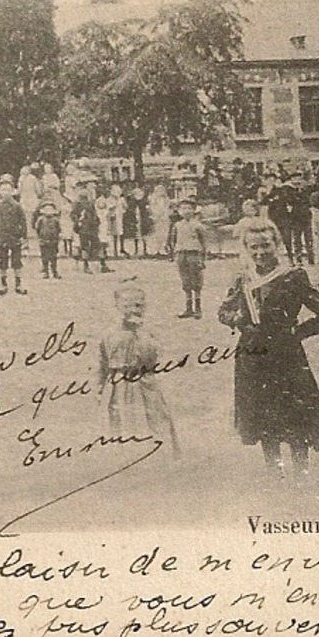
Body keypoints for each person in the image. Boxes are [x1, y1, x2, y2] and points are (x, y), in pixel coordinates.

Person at [218, 226, 319, 483]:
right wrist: (236, 318)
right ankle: (274, 473)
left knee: (294, 413)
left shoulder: (292, 276)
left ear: (277, 245)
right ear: (246, 249)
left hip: (286, 356)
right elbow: (223, 312)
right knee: (263, 413)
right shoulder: (243, 278)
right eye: (254, 247)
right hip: (252, 355)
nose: (260, 252)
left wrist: (296, 333)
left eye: (266, 246)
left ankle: (301, 473)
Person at [96, 283, 179, 453]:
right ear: (117, 306)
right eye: (126, 306)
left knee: (154, 417)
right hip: (119, 385)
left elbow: (154, 358)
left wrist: (139, 334)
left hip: (145, 383)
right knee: (122, 419)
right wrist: (99, 388)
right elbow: (101, 364)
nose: (133, 310)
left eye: (138, 305)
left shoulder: (147, 333)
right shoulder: (110, 333)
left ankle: (158, 453)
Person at [168, 198, 212, 318]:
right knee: (185, 281)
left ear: (194, 210)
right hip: (181, 254)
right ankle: (188, 308)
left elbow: (203, 243)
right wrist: (174, 254)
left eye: (189, 208)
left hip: (194, 254)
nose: (186, 211)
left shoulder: (198, 225)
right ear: (178, 211)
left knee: (196, 281)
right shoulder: (177, 225)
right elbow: (173, 241)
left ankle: (198, 308)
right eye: (183, 208)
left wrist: (203, 259)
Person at [0, 175, 28, 295]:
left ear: (12, 191)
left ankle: (18, 284)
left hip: (15, 237)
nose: (6, 192)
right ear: (0, 191)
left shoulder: (17, 206)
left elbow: (23, 222)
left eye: (8, 190)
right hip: (2, 238)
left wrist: (23, 236)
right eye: (3, 190)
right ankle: (3, 284)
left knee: (17, 261)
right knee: (3, 261)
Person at [34, 199, 63, 280]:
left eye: (50, 210)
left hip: (53, 241)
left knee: (53, 257)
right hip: (43, 240)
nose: (48, 212)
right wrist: (41, 236)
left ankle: (54, 271)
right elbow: (37, 229)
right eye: (47, 210)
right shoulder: (41, 219)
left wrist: (57, 237)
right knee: (44, 257)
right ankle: (45, 271)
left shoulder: (55, 220)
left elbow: (59, 229)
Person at [146, 184, 172, 257]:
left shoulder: (166, 199)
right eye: (159, 190)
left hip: (164, 218)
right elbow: (152, 208)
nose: (161, 192)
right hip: (157, 218)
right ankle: (156, 250)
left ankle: (163, 249)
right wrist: (157, 214)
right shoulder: (153, 198)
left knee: (164, 234)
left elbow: (168, 207)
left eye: (162, 190)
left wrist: (166, 213)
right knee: (157, 235)